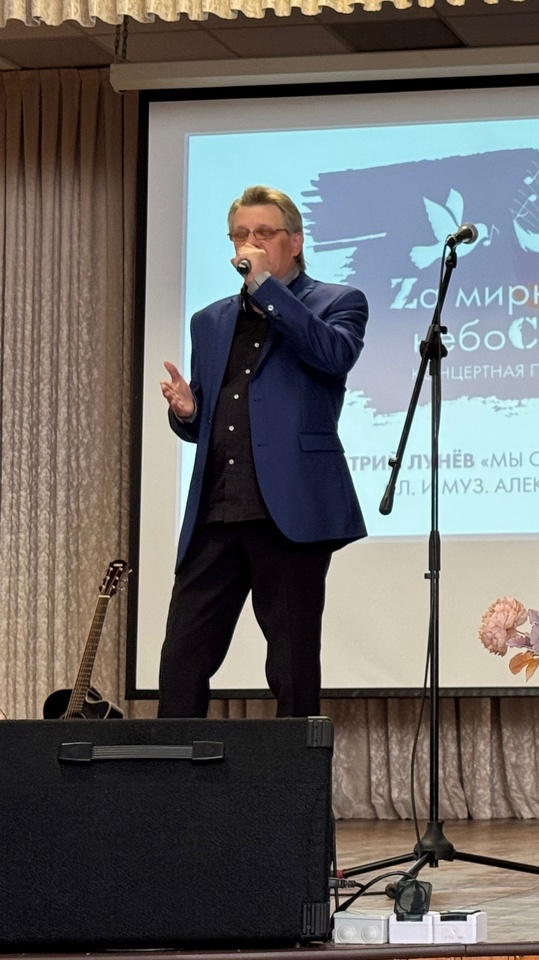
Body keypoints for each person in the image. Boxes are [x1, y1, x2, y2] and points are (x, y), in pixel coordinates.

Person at [156, 185, 368, 718]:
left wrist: (268, 291)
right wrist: (188, 412)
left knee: (292, 665)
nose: (249, 244)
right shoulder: (209, 321)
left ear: (294, 241)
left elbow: (333, 356)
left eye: (264, 233)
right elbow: (210, 419)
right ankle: (169, 774)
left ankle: (295, 775)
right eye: (240, 235)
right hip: (217, 510)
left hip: (289, 512)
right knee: (181, 659)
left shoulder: (338, 302)